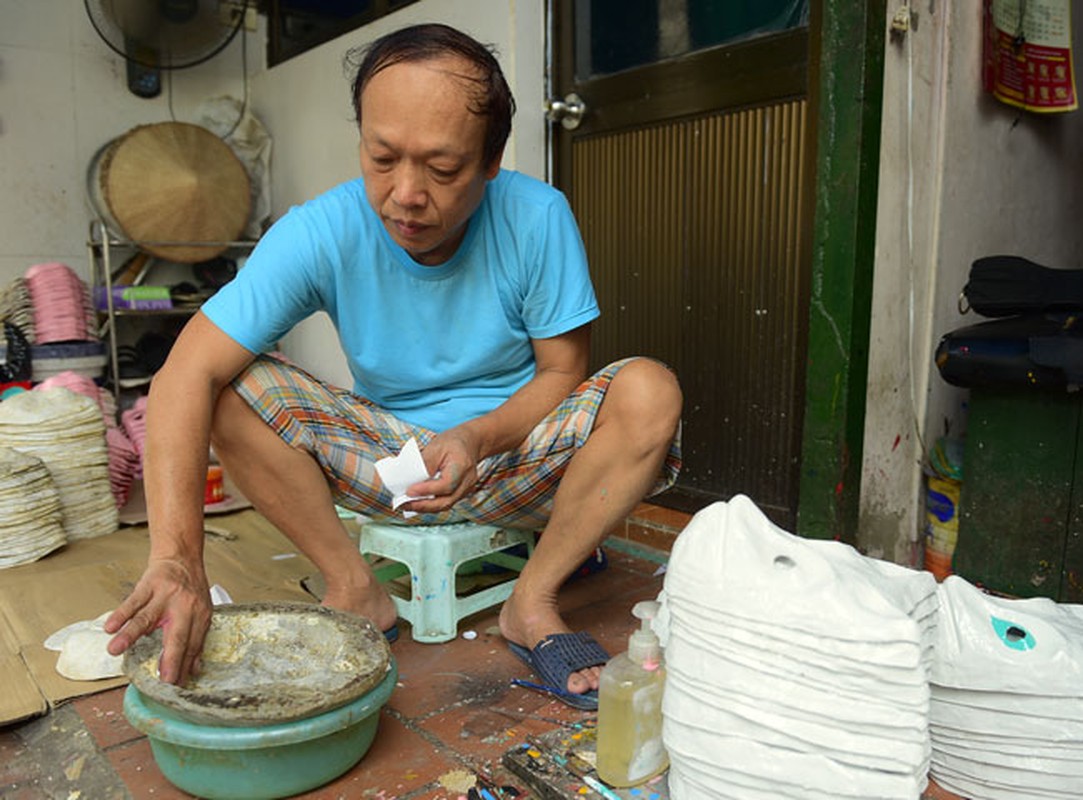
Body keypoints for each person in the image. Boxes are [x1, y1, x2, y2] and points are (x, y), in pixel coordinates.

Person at [104, 22, 682, 710]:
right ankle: (354, 585)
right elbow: (183, 375)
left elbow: (561, 374)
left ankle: (532, 600)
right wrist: (177, 558)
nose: (405, 194)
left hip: (518, 458)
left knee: (649, 390)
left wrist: (476, 437)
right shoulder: (319, 230)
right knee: (226, 384)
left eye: (441, 170)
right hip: (385, 465)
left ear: (491, 160)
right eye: (381, 158)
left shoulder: (537, 218)